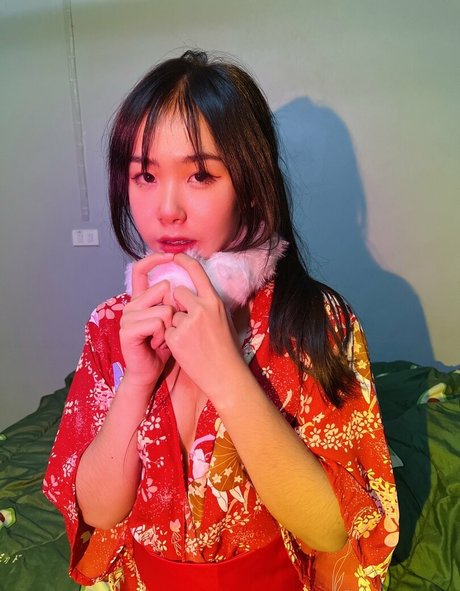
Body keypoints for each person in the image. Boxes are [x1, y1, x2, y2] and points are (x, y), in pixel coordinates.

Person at [44, 50, 398, 591]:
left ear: (250, 187)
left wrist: (228, 376)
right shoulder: (113, 325)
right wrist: (136, 382)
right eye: (145, 175)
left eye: (201, 175)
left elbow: (329, 530)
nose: (167, 209)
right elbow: (98, 513)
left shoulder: (316, 321)